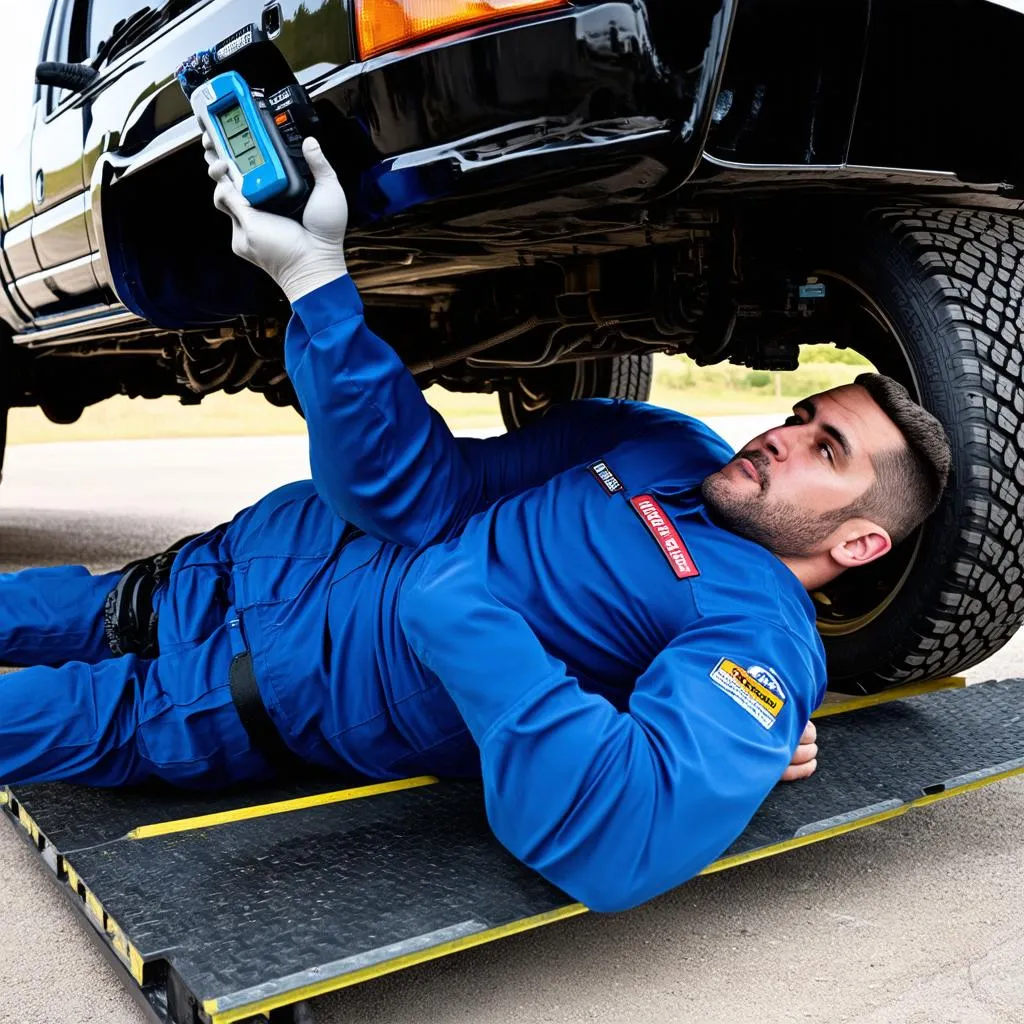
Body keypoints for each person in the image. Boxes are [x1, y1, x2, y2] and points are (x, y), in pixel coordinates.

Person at [0, 138, 950, 913]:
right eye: (801, 415)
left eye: (828, 451)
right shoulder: (663, 443)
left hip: (240, 694)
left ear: (860, 542)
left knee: (39, 717)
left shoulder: (757, 637)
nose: (784, 437)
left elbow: (624, 827)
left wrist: (461, 606)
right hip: (223, 563)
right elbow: (417, 489)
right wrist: (320, 289)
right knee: (34, 604)